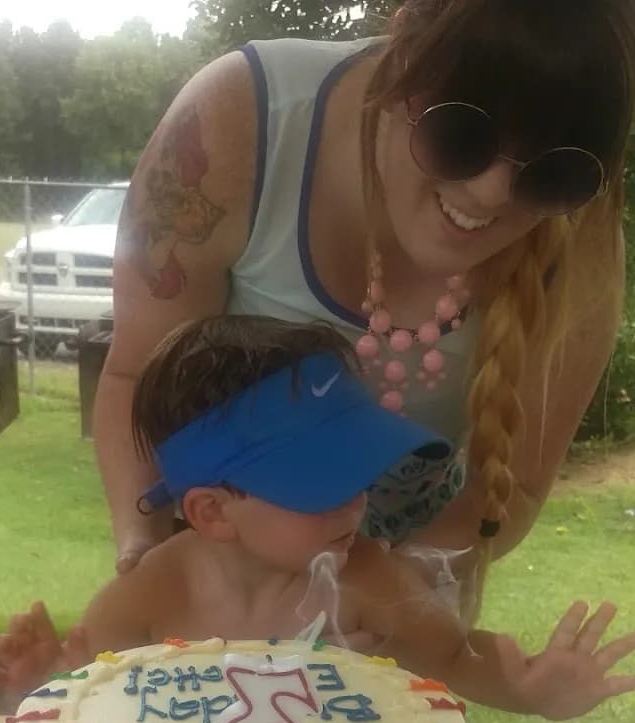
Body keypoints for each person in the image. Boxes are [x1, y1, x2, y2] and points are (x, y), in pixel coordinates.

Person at [96, 0, 635, 612]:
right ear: (402, 51)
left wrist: (386, 597)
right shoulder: (240, 117)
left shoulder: (582, 233)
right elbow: (134, 374)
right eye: (460, 132)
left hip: (407, 612)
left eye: (554, 173)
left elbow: (517, 485)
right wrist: (147, 559)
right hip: (218, 604)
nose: (492, 193)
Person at [0, 316, 635, 721]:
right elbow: (87, 718)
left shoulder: (366, 580)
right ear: (212, 511)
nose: (355, 504)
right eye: (319, 487)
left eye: (358, 476)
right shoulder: (147, 599)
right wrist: (45, 689)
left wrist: (531, 690)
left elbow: (458, 658)